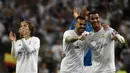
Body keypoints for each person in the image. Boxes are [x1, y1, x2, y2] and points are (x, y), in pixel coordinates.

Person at [69, 6, 93, 73]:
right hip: (77, 64)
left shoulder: (93, 28)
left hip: (88, 64)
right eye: (85, 14)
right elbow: (70, 36)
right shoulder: (74, 23)